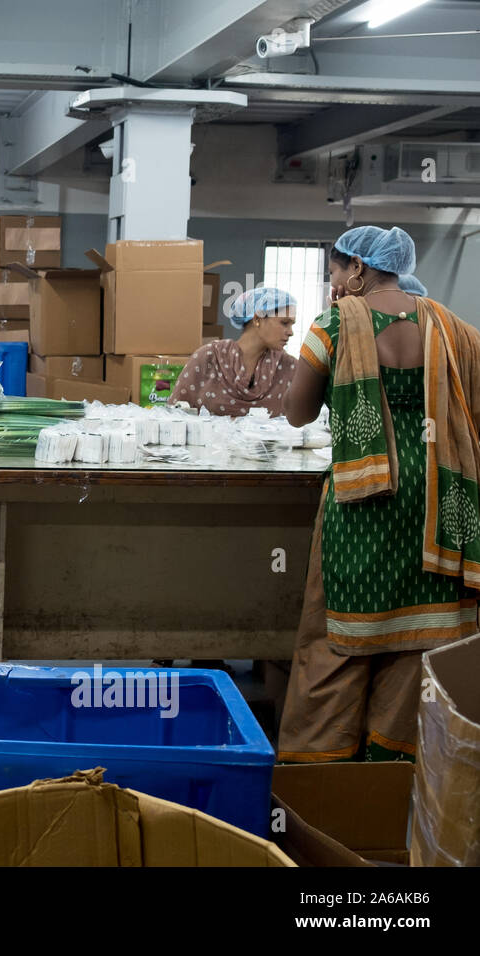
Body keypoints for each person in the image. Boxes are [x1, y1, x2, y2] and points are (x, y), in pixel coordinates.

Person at [279, 225, 480, 762]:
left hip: (365, 489)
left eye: (336, 274)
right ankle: (390, 769)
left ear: (359, 269)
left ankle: (321, 768)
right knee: (417, 635)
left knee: (339, 633)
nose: (335, 286)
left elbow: (297, 413)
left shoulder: (336, 325)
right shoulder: (454, 328)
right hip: (438, 492)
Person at [168, 286, 298, 416]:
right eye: (285, 323)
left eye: (292, 325)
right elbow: (175, 415)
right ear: (257, 319)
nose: (291, 332)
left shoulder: (289, 367)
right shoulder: (210, 358)